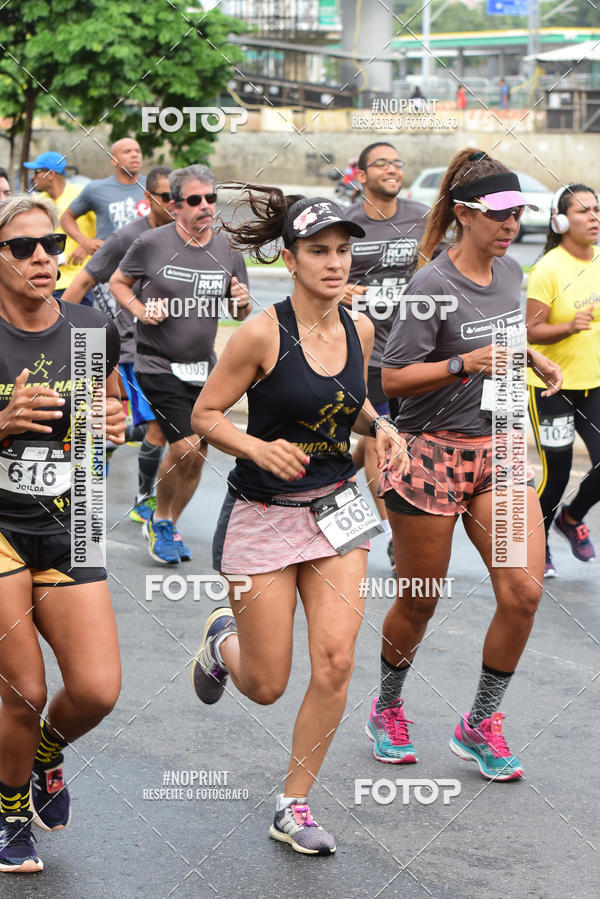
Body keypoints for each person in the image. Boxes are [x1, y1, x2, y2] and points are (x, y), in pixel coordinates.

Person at [189, 187, 409, 855]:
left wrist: (384, 427)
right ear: (289, 258)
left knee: (338, 660)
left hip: (336, 508)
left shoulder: (360, 326)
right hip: (261, 514)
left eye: (344, 250)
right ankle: (220, 640)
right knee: (265, 683)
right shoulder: (262, 331)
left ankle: (294, 802)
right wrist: (257, 447)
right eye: (319, 251)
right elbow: (204, 415)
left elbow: (351, 404)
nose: (335, 263)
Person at [369, 149, 562, 781]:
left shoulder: (512, 274)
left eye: (518, 214)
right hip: (432, 455)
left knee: (524, 592)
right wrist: (462, 364)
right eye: (500, 214)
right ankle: (388, 706)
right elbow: (393, 378)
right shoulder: (430, 285)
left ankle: (479, 722)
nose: (511, 225)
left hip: (500, 449)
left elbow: (504, 334)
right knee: (421, 598)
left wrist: (532, 358)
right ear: (463, 215)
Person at [0, 193, 125, 874]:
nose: (43, 256)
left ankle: (48, 749)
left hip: (71, 520)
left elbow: (109, 410)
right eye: (22, 247)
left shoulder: (88, 328)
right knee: (22, 687)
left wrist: (112, 426)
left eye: (51, 243)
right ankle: (10, 809)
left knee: (98, 689)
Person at [109, 165, 251, 563]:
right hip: (156, 362)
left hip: (204, 368)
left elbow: (240, 312)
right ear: (174, 206)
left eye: (210, 198)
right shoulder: (151, 243)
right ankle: (162, 518)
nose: (205, 206)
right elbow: (118, 282)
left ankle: (167, 519)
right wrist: (139, 309)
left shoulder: (227, 249)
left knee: (198, 452)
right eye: (195, 200)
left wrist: (240, 302)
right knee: (187, 446)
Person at [343, 141, 439, 569]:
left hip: (416, 352)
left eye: (397, 163)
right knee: (378, 441)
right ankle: (393, 534)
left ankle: (357, 477)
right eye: (381, 163)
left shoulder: (422, 218)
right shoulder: (344, 224)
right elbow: (313, 272)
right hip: (367, 353)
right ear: (361, 175)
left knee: (410, 442)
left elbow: (449, 267)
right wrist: (337, 291)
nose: (392, 169)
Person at [62, 166, 173, 523]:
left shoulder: (184, 238)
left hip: (170, 353)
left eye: (179, 197)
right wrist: (66, 339)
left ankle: (108, 436)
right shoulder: (127, 238)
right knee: (159, 425)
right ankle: (144, 499)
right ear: (149, 199)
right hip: (129, 349)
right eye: (166, 196)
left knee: (165, 426)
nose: (174, 204)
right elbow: (77, 288)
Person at [526, 183, 600, 577]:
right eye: (583, 211)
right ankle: (539, 547)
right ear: (561, 221)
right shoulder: (548, 269)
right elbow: (530, 332)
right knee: (555, 475)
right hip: (550, 388)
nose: (594, 218)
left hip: (594, 385)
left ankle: (571, 519)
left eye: (596, 210)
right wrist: (569, 326)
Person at [60, 138, 146, 317]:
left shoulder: (151, 187)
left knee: (142, 324)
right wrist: (85, 242)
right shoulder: (96, 189)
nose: (134, 154)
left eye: (137, 151)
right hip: (108, 273)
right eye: (127, 151)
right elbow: (67, 217)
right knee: (106, 326)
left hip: (146, 271)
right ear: (113, 160)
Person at [24, 151, 96, 305]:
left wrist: (87, 245)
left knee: (85, 327)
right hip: (47, 281)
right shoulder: (37, 200)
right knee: (50, 328)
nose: (33, 177)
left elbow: (108, 228)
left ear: (50, 174)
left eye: (37, 172)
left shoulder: (81, 194)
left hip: (80, 281)